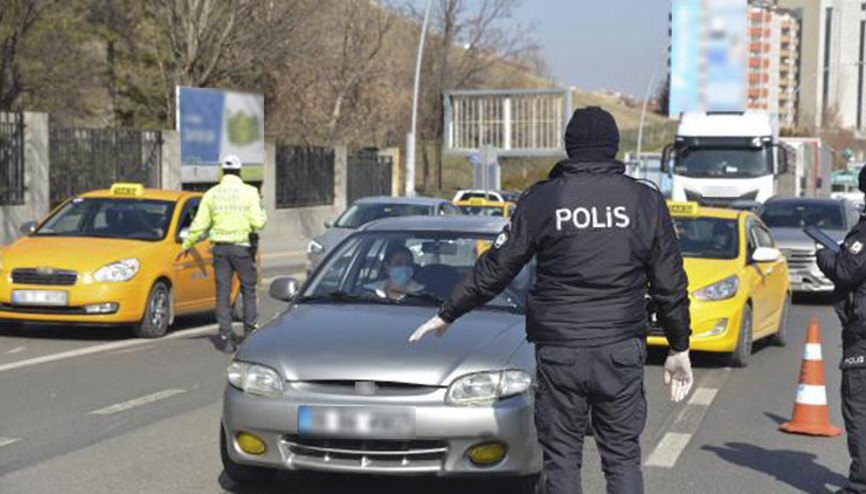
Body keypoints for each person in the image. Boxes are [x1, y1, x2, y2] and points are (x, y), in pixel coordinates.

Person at [409, 106, 693, 494]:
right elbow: (670, 282)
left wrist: (448, 311)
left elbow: (498, 264)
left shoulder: (545, 199)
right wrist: (679, 345)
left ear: (569, 147)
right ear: (613, 149)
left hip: (560, 351)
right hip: (620, 348)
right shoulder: (644, 201)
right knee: (622, 457)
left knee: (561, 458)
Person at [181, 154, 267, 353]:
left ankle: (225, 337)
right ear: (240, 172)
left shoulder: (212, 194)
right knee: (248, 289)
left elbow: (200, 224)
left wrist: (188, 243)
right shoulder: (250, 192)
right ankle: (249, 333)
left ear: (222, 172)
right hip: (242, 247)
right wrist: (262, 215)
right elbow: (258, 223)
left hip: (220, 249)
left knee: (222, 293)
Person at [817, 166, 866, 494]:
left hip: (863, 335)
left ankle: (860, 483)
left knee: (859, 407)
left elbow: (847, 270)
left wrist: (825, 257)